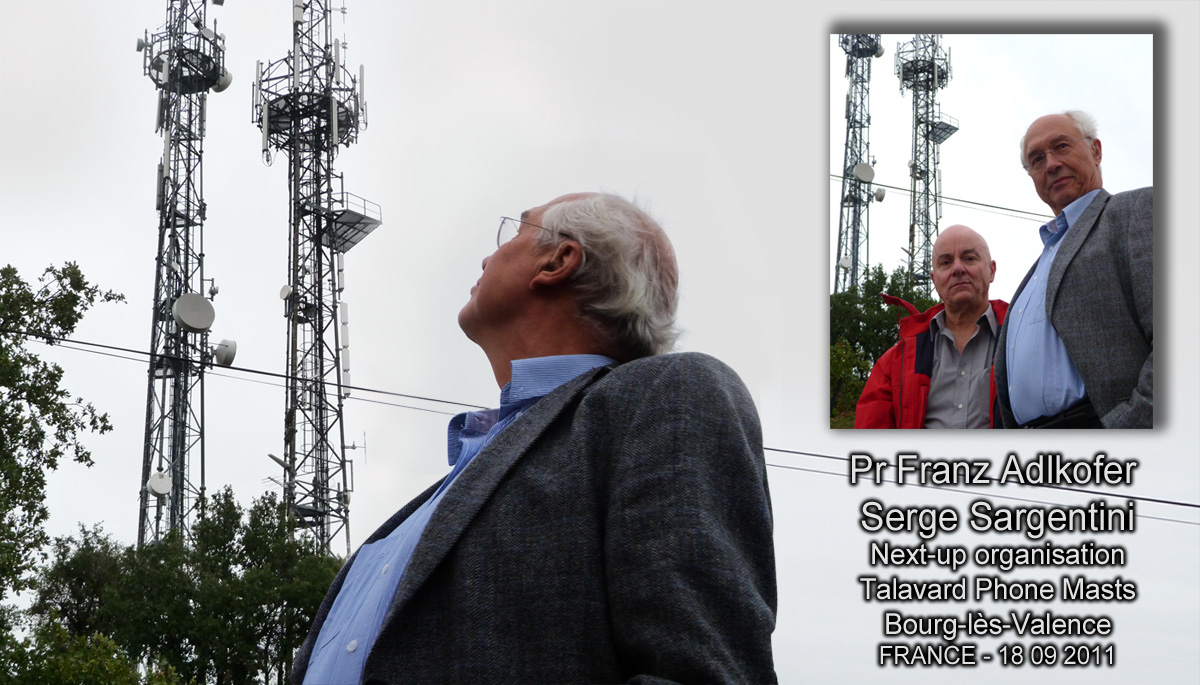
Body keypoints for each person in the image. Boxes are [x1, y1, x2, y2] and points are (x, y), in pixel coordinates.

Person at [292, 192, 778, 684]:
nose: (487, 256)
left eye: (516, 231)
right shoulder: (426, 506)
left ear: (559, 260)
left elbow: (698, 669)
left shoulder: (668, 396)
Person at [995, 111, 1153, 428]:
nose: (1051, 164)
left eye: (1061, 146)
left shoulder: (1136, 210)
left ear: (1096, 150)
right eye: (1036, 159)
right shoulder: (1037, 267)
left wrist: (1132, 426)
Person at [855, 225, 1008, 429]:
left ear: (992, 270)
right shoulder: (894, 364)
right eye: (945, 262)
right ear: (934, 280)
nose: (958, 269)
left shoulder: (1022, 341)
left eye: (969, 258)